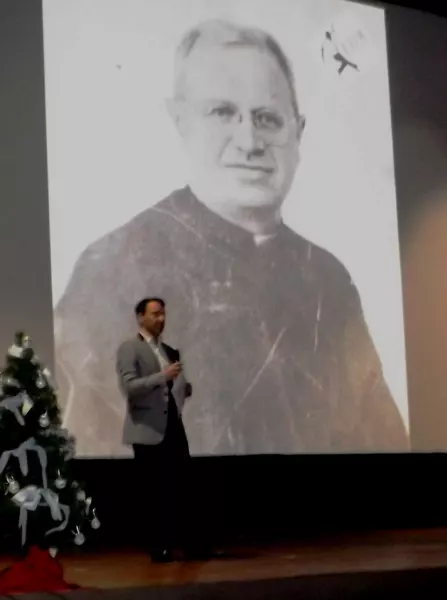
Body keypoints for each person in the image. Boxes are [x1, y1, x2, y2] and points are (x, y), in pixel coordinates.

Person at [54, 19, 409, 457]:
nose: (249, 141)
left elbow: (382, 445)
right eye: (222, 112)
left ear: (298, 132)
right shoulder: (111, 270)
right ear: (181, 122)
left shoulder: (328, 279)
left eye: (267, 118)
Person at [116, 297, 203, 562]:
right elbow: (129, 387)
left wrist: (183, 387)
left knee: (182, 487)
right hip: (147, 428)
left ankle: (189, 545)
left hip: (172, 425)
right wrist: (163, 377)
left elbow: (173, 384)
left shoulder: (168, 349)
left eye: (163, 314)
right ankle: (158, 547)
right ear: (140, 317)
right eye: (155, 314)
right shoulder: (129, 348)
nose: (161, 319)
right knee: (154, 491)